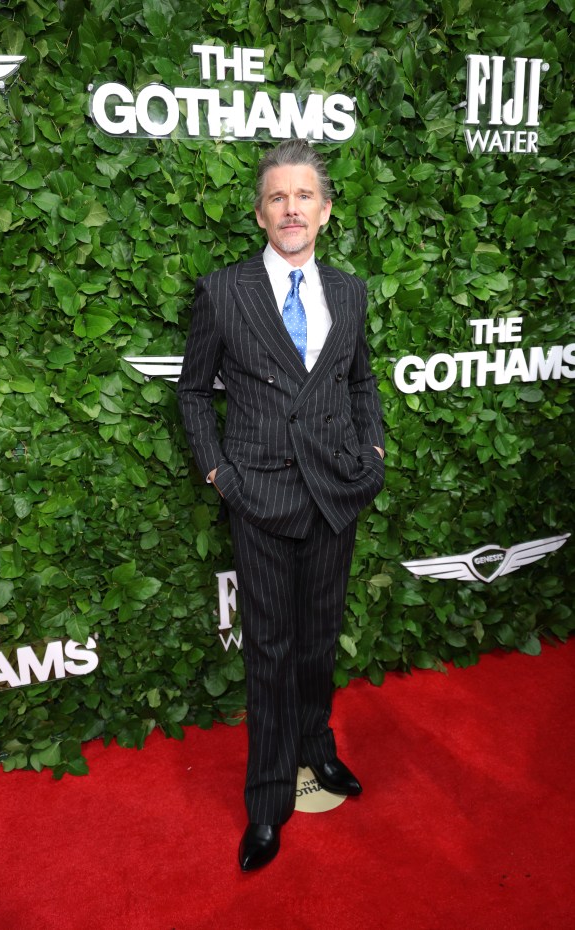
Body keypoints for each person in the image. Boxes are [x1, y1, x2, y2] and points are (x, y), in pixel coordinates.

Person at [177, 139, 385, 872]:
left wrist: (375, 454)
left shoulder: (352, 292)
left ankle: (316, 752)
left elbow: (362, 384)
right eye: (277, 197)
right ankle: (267, 801)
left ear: (325, 212)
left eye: (305, 196)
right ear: (260, 213)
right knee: (267, 652)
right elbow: (194, 390)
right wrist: (217, 472)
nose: (291, 208)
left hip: (336, 494)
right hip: (259, 496)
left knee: (319, 639)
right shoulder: (223, 291)